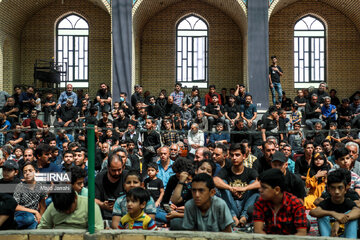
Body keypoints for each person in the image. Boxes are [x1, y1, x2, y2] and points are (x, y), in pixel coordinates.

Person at [214, 143, 259, 227]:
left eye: (237, 155)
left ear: (244, 156)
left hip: (246, 204)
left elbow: (260, 182)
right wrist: (230, 188)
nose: (234, 158)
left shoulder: (250, 171)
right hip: (231, 205)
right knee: (222, 183)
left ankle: (244, 217)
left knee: (254, 185)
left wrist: (245, 188)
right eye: (232, 155)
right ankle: (233, 217)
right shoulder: (226, 170)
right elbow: (215, 180)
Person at [253, 168, 307, 236]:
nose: (260, 190)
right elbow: (258, 231)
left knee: (306, 224)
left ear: (277, 190)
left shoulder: (295, 204)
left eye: (264, 187)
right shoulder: (260, 203)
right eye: (260, 187)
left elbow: (301, 233)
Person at [310, 169, 360, 238]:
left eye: (340, 188)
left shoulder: (348, 201)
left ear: (345, 189)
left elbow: (357, 211)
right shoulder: (326, 202)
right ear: (328, 189)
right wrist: (333, 213)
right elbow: (313, 212)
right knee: (322, 215)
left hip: (346, 236)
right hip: (330, 235)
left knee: (352, 216)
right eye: (333, 188)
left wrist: (339, 221)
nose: (336, 192)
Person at [38, 188, 103, 230]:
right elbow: (43, 227)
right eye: (63, 210)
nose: (67, 212)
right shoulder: (53, 206)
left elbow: (97, 229)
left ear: (75, 198)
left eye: (69, 208)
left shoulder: (90, 205)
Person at [13, 162, 47, 229]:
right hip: (21, 214)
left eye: (30, 171)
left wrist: (40, 218)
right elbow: (15, 206)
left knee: (34, 224)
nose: (27, 173)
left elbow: (42, 204)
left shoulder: (40, 186)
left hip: (33, 216)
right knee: (29, 218)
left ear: (36, 172)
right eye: (25, 172)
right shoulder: (20, 186)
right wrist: (35, 212)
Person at [95, 153, 128, 220]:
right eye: (113, 170)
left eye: (119, 170)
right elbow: (93, 199)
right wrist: (102, 205)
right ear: (108, 167)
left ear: (123, 167)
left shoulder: (127, 177)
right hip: (104, 216)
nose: (117, 173)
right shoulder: (100, 177)